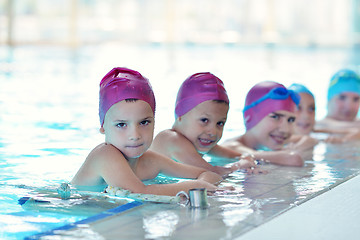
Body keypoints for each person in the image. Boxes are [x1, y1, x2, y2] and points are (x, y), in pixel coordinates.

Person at [71, 67, 223, 196]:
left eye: (144, 122)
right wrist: (197, 186)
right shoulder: (104, 155)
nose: (135, 135)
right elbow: (140, 192)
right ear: (103, 127)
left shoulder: (151, 161)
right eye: (121, 124)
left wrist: (203, 182)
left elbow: (209, 174)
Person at [150, 72, 258, 177]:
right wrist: (238, 167)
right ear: (180, 114)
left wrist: (245, 158)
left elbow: (236, 156)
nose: (213, 132)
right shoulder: (170, 139)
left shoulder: (198, 141)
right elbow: (210, 172)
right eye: (204, 120)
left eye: (220, 123)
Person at [222, 81, 316, 167]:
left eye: (290, 120)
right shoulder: (231, 147)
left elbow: (309, 140)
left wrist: (297, 147)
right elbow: (294, 159)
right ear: (249, 116)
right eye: (275, 117)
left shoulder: (267, 141)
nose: (285, 129)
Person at [289, 82, 360, 143]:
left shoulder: (316, 134)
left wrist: (342, 140)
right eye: (298, 108)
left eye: (311, 109)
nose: (306, 115)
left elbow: (356, 133)